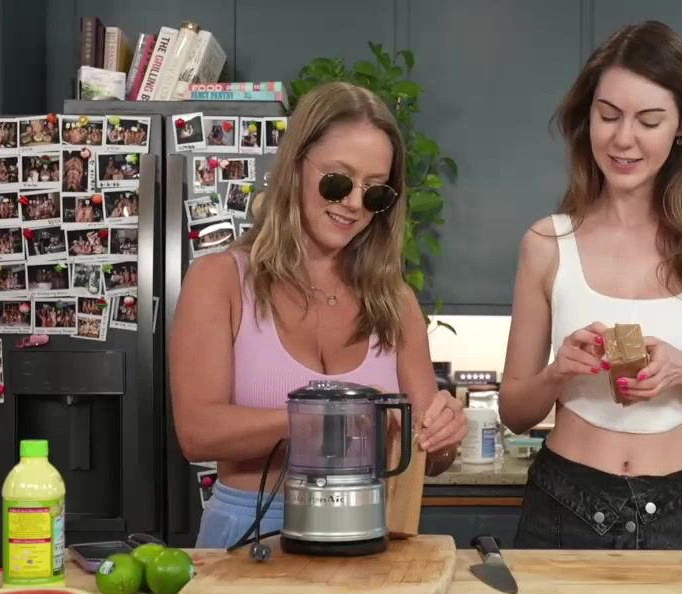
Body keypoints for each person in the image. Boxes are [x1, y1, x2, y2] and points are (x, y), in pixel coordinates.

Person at [498, 21, 682, 551]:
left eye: (649, 120)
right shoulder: (548, 243)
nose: (623, 139)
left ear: (681, 127)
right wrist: (558, 373)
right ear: (587, 118)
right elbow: (515, 412)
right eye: (608, 115)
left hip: (681, 513)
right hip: (564, 504)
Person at [169, 81, 467, 550]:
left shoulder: (395, 302)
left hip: (366, 535)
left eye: (375, 192)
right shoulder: (220, 281)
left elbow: (428, 455)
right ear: (295, 166)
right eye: (338, 181)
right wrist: (333, 418)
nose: (354, 204)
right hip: (246, 538)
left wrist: (445, 433)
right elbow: (198, 433)